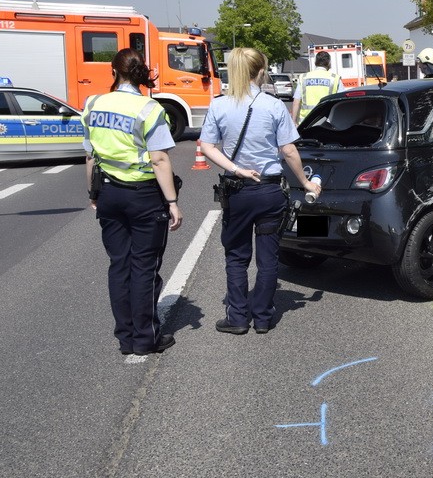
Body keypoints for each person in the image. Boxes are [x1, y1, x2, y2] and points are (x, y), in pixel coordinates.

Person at [200, 48, 321, 336]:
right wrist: (306, 184)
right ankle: (264, 317)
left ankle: (238, 318)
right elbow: (288, 150)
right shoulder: (273, 105)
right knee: (268, 257)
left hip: (239, 192)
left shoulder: (219, 105)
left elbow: (206, 147)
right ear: (260, 71)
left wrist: (236, 168)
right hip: (270, 191)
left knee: (236, 256)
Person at [81, 48, 182, 360]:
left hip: (109, 193)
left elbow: (90, 156)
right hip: (143, 196)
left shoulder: (93, 103)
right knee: (144, 267)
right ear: (142, 74)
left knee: (119, 265)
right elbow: (160, 158)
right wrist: (172, 201)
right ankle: (145, 337)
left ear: (114, 72)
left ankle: (125, 337)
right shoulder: (149, 109)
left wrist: (93, 194)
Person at [291, 50, 340, 124]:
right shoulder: (334, 78)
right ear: (329, 63)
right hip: (326, 120)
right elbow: (341, 101)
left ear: (315, 62)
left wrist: (293, 122)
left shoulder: (304, 77)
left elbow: (296, 102)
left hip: (306, 122)